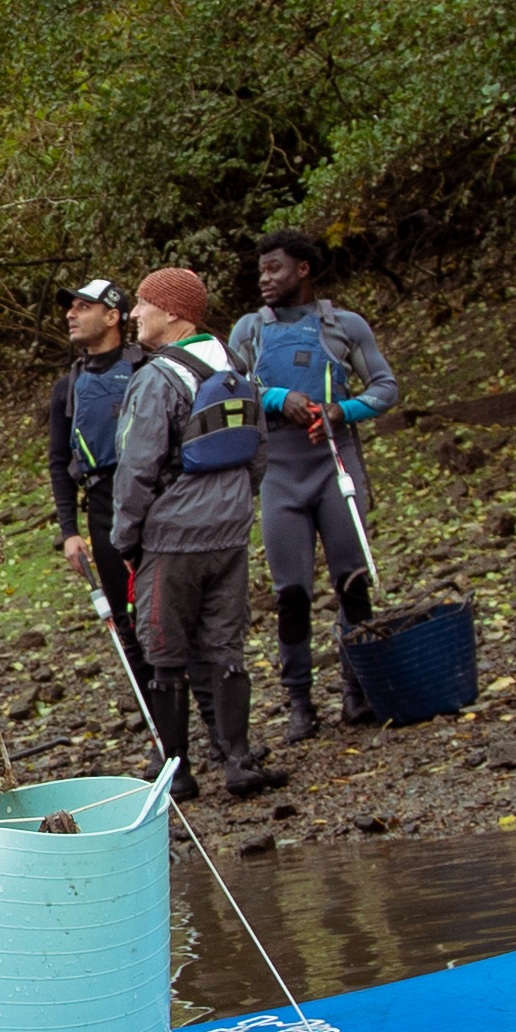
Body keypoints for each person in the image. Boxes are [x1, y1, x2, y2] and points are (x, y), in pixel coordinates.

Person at [112, 268, 283, 801]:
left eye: (143, 304)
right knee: (225, 646)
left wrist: (125, 538)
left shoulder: (157, 377)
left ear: (174, 314)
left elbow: (137, 467)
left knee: (164, 651)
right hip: (230, 533)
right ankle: (237, 761)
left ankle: (175, 772)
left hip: (172, 538)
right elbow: (258, 447)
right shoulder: (234, 364)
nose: (134, 314)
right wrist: (237, 503)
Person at [228, 232, 399, 740]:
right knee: (293, 590)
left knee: (352, 580)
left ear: (303, 270)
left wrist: (340, 411)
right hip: (278, 469)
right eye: (261, 270)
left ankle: (358, 688)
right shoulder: (248, 331)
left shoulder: (344, 326)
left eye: (275, 269)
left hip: (333, 460)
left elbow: (385, 388)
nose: (265, 279)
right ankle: (299, 701)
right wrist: (279, 397)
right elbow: (232, 388)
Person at [48, 276, 148, 686]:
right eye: (70, 307)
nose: (71, 314)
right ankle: (165, 737)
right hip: (103, 510)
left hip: (155, 502)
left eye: (82, 307)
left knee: (168, 616)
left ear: (113, 316)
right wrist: (70, 531)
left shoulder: (149, 367)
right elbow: (59, 462)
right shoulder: (67, 386)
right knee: (127, 625)